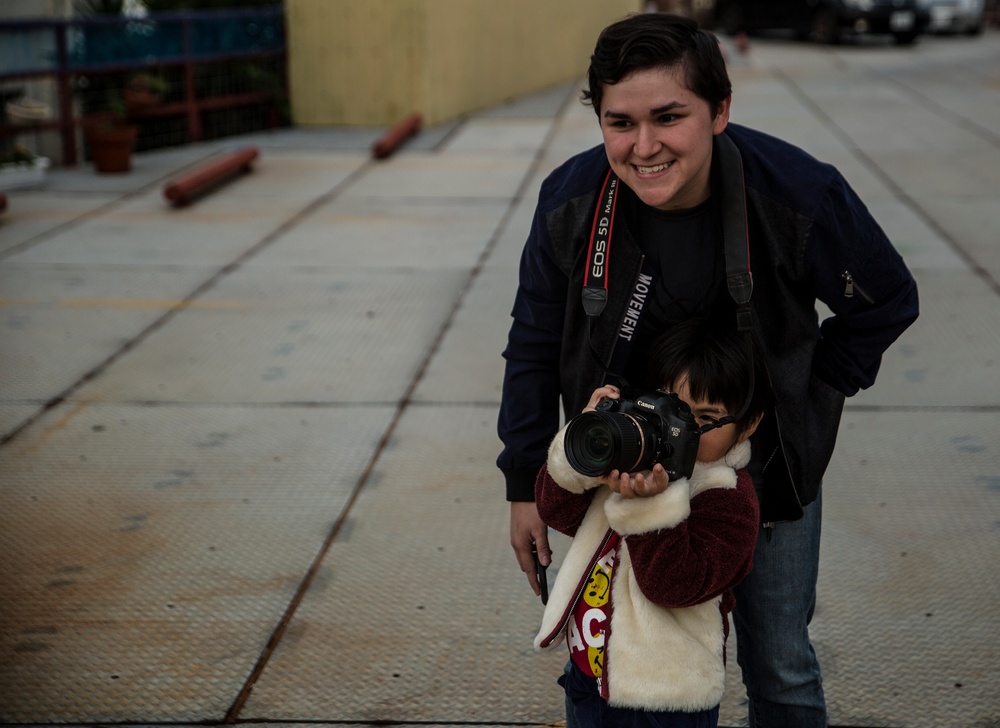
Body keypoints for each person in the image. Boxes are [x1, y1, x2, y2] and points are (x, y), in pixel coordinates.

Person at [497, 12, 919, 727]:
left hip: (761, 470)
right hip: (618, 470)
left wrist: (804, 399)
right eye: (619, 122)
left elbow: (887, 300)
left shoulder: (796, 194)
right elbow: (533, 344)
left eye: (670, 117)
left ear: (720, 110)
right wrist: (522, 485)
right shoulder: (571, 203)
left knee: (779, 664)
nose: (644, 146)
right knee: (610, 664)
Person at [534, 319, 768, 727]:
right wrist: (587, 443)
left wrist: (650, 506)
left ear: (748, 424)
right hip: (589, 677)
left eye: (706, 417)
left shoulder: (728, 500)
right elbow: (558, 511)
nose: (684, 431)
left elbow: (672, 585)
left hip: (663, 702)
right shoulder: (637, 458)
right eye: (673, 409)